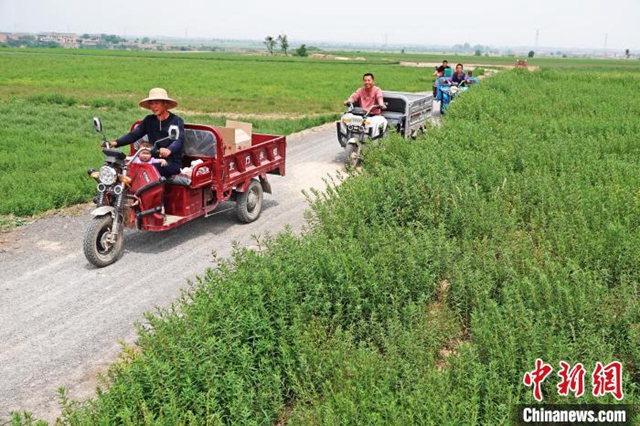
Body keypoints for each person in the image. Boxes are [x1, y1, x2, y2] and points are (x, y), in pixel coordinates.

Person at [106, 88, 185, 177]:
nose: (153, 106)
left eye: (157, 103)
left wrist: (169, 150)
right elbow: (134, 135)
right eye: (151, 103)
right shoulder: (149, 120)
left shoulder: (176, 121)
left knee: (147, 169)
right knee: (122, 166)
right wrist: (115, 142)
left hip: (170, 162)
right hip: (150, 159)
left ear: (165, 104)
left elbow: (179, 140)